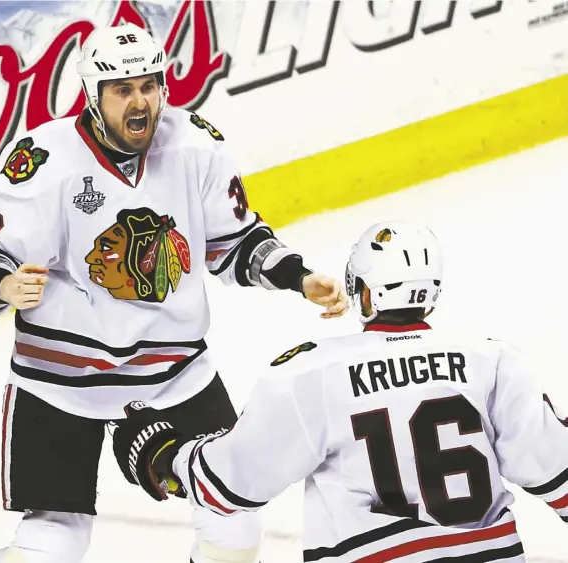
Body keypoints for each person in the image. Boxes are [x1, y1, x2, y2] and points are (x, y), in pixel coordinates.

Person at [0, 22, 348, 563]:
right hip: (63, 379)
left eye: (149, 85)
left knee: (232, 510)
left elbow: (234, 240)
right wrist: (3, 282)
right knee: (55, 537)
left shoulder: (195, 145)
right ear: (93, 95)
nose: (140, 101)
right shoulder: (45, 160)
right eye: (122, 89)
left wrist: (296, 276)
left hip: (174, 370)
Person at [119, 221, 568, 563]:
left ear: (365, 294)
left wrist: (166, 454)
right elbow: (558, 471)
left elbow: (233, 481)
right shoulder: (491, 362)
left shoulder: (313, 372)